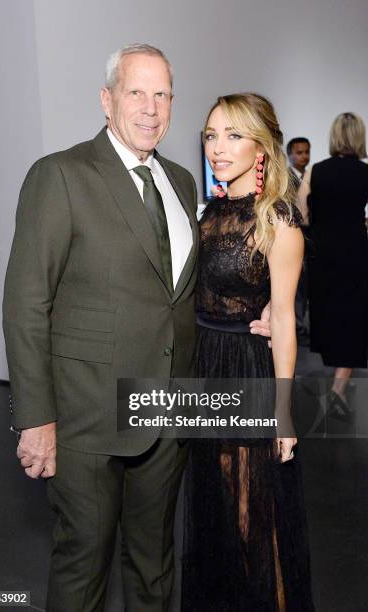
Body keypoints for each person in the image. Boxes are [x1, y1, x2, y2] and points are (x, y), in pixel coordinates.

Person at [3, 45, 270, 611]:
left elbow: (184, 285)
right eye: (136, 92)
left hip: (166, 413)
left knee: (154, 565)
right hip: (86, 417)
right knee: (84, 564)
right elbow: (26, 303)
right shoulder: (61, 175)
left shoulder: (180, 181)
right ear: (107, 100)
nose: (151, 108)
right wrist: (35, 418)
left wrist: (261, 305)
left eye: (162, 94)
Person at [182, 93, 315, 611]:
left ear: (261, 147)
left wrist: (282, 413)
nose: (218, 147)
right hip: (205, 368)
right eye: (211, 135)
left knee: (251, 516)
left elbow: (283, 318)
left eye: (233, 135)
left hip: (247, 371)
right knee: (214, 506)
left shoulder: (277, 220)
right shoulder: (210, 211)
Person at [298, 112, 368, 420]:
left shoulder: (315, 171)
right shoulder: (366, 173)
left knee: (326, 312)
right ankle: (339, 389)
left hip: (322, 255)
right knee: (354, 319)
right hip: (356, 254)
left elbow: (300, 213)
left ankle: (329, 376)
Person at [287, 137, 311, 344]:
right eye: (299, 152)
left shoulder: (312, 176)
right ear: (290, 154)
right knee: (295, 283)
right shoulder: (285, 178)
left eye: (306, 152)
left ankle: (301, 324)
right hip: (293, 234)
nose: (304, 156)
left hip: (311, 235)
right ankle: (296, 326)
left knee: (305, 284)